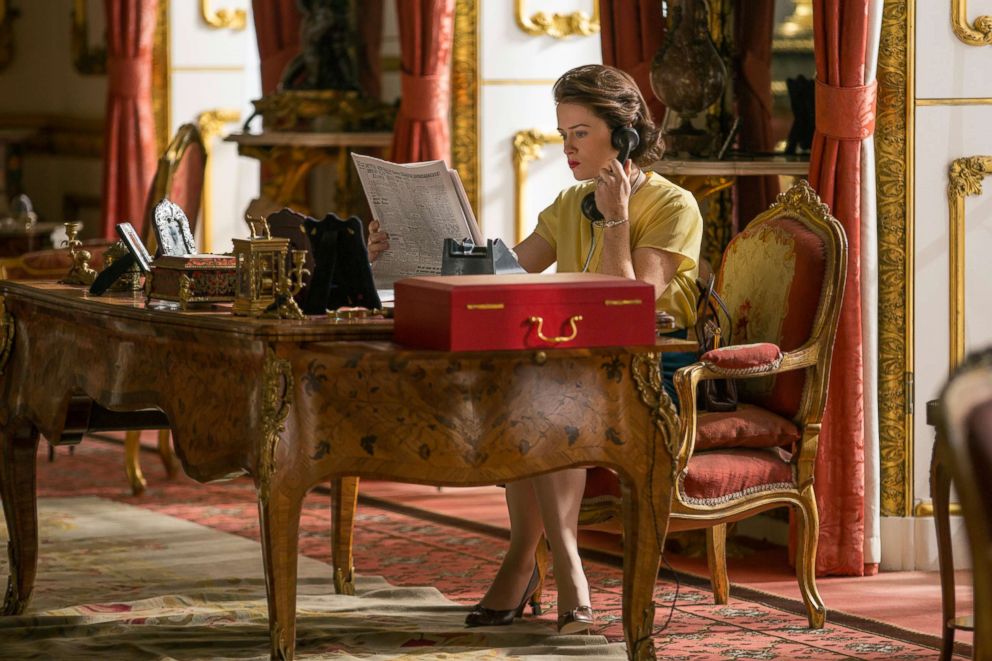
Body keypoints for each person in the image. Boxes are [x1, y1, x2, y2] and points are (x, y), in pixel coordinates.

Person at [367, 64, 702, 634]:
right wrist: (396, 252)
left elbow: (632, 304)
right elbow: (506, 272)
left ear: (622, 137)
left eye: (579, 132)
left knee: (543, 390)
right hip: (573, 365)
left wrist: (617, 217)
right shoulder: (570, 202)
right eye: (562, 133)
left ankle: (545, 564)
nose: (566, 147)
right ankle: (542, 560)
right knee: (528, 385)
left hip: (652, 369)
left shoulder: (674, 206)